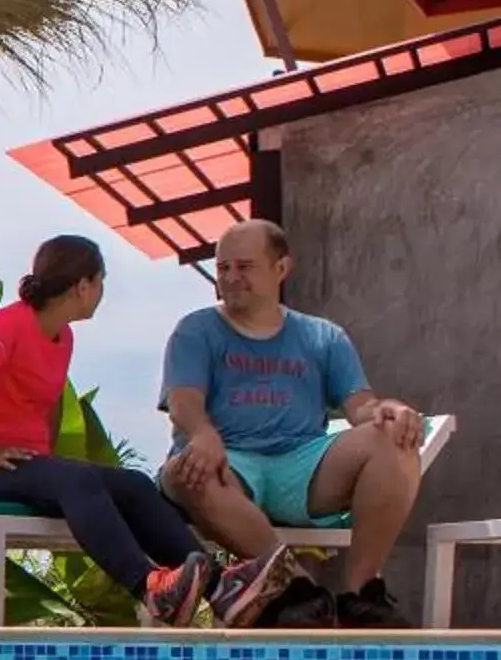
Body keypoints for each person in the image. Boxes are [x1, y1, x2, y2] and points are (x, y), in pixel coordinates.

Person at [0, 234, 212, 625]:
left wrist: (45, 467)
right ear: (82, 286)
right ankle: (149, 588)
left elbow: (51, 406)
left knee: (133, 485)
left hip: (20, 469)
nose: (101, 292)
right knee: (75, 481)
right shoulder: (11, 324)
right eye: (100, 282)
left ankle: (222, 590)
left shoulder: (63, 337)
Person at [158, 218, 427, 629]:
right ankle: (296, 589)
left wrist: (385, 410)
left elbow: (360, 407)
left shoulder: (324, 337)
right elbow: (184, 403)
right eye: (223, 267)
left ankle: (361, 594)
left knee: (394, 439)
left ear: (281, 269)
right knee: (190, 469)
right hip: (228, 464)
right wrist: (202, 433)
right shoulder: (196, 330)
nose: (230, 278)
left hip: (301, 467)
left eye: (244, 267)